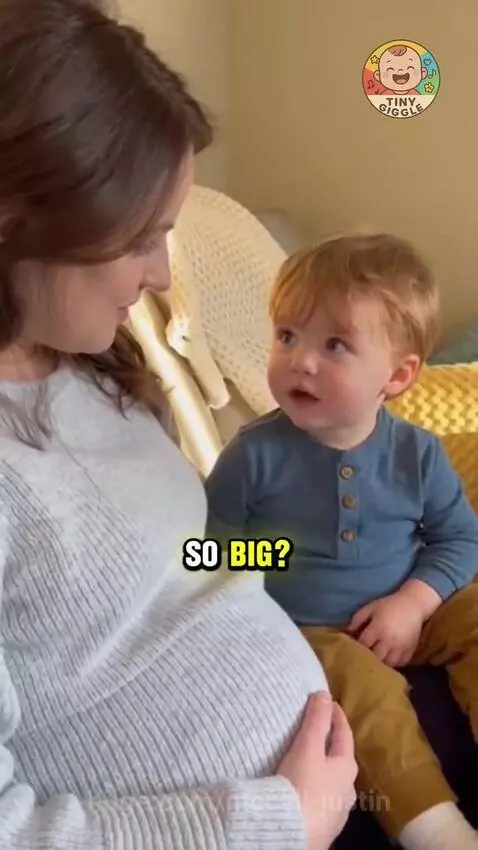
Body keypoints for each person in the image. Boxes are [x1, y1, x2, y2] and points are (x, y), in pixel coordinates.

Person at [0, 1, 358, 848]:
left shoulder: (82, 364)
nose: (163, 275)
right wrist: (277, 822)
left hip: (338, 742)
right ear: (16, 221)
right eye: (143, 239)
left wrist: (300, 557)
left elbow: (174, 566)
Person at [205, 232, 478, 850]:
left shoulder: (418, 454)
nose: (301, 360)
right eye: (287, 336)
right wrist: (276, 561)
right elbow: (208, 554)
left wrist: (414, 602)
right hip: (313, 629)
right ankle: (435, 827)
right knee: (362, 693)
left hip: (409, 608)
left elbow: (460, 539)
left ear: (398, 375)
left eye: (334, 345)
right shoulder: (253, 454)